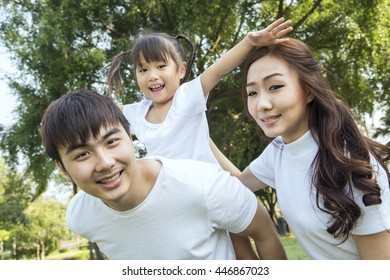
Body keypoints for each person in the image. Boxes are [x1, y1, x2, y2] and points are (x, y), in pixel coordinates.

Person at [105, 18, 293, 259]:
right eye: (143, 70)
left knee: (241, 247)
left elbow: (219, 69)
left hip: (212, 189)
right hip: (177, 201)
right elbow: (99, 111)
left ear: (181, 70)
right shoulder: (135, 113)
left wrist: (250, 42)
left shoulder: (187, 97)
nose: (152, 76)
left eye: (161, 66)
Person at [39, 89, 287, 260]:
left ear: (131, 137)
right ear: (63, 168)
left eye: (112, 141)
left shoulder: (200, 184)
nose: (105, 163)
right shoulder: (80, 217)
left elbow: (263, 231)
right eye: (82, 154)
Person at [238, 38, 390, 259]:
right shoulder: (280, 150)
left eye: (276, 87)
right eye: (252, 93)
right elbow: (235, 185)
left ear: (309, 90)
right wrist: (196, 128)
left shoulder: (350, 166)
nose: (262, 104)